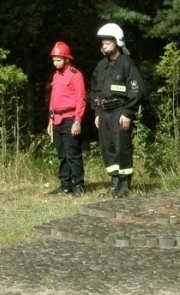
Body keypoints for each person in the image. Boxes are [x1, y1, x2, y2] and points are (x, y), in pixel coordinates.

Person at [90, 23, 145, 199]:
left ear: (117, 42)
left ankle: (124, 185)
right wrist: (97, 112)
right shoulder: (100, 65)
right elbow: (93, 91)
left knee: (122, 148)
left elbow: (137, 90)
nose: (103, 46)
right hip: (104, 114)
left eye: (107, 43)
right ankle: (114, 183)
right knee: (108, 149)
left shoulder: (126, 63)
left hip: (120, 113)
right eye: (103, 43)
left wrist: (128, 113)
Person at [47, 41, 88, 197]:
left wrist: (77, 121)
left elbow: (81, 100)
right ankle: (65, 185)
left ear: (66, 59)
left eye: (58, 59)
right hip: (57, 118)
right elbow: (53, 99)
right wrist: (50, 121)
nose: (55, 62)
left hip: (70, 117)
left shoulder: (75, 75)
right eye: (53, 60)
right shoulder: (56, 76)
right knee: (62, 154)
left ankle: (78, 185)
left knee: (73, 153)